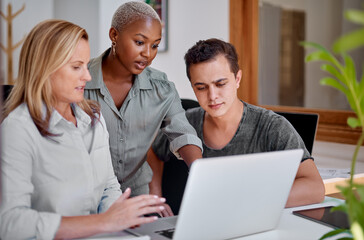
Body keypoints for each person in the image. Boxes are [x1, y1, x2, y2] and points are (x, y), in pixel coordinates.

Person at [0, 19, 166, 239]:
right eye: (76, 67)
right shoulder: (18, 130)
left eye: (86, 66)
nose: (87, 77)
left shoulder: (93, 118)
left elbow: (108, 187)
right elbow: (10, 223)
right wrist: (102, 222)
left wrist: (123, 220)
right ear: (44, 68)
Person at [150, 38, 325, 214]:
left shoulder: (271, 126)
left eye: (220, 84)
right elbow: (153, 150)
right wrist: (155, 196)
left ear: (238, 79)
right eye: (201, 87)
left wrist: (248, 201)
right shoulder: (186, 123)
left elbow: (314, 187)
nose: (212, 96)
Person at [84, 1, 202, 202]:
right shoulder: (80, 81)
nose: (148, 53)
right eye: (140, 42)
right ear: (114, 35)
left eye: (154, 45)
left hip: (137, 196)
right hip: (86, 196)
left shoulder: (162, 88)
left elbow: (183, 134)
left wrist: (200, 173)